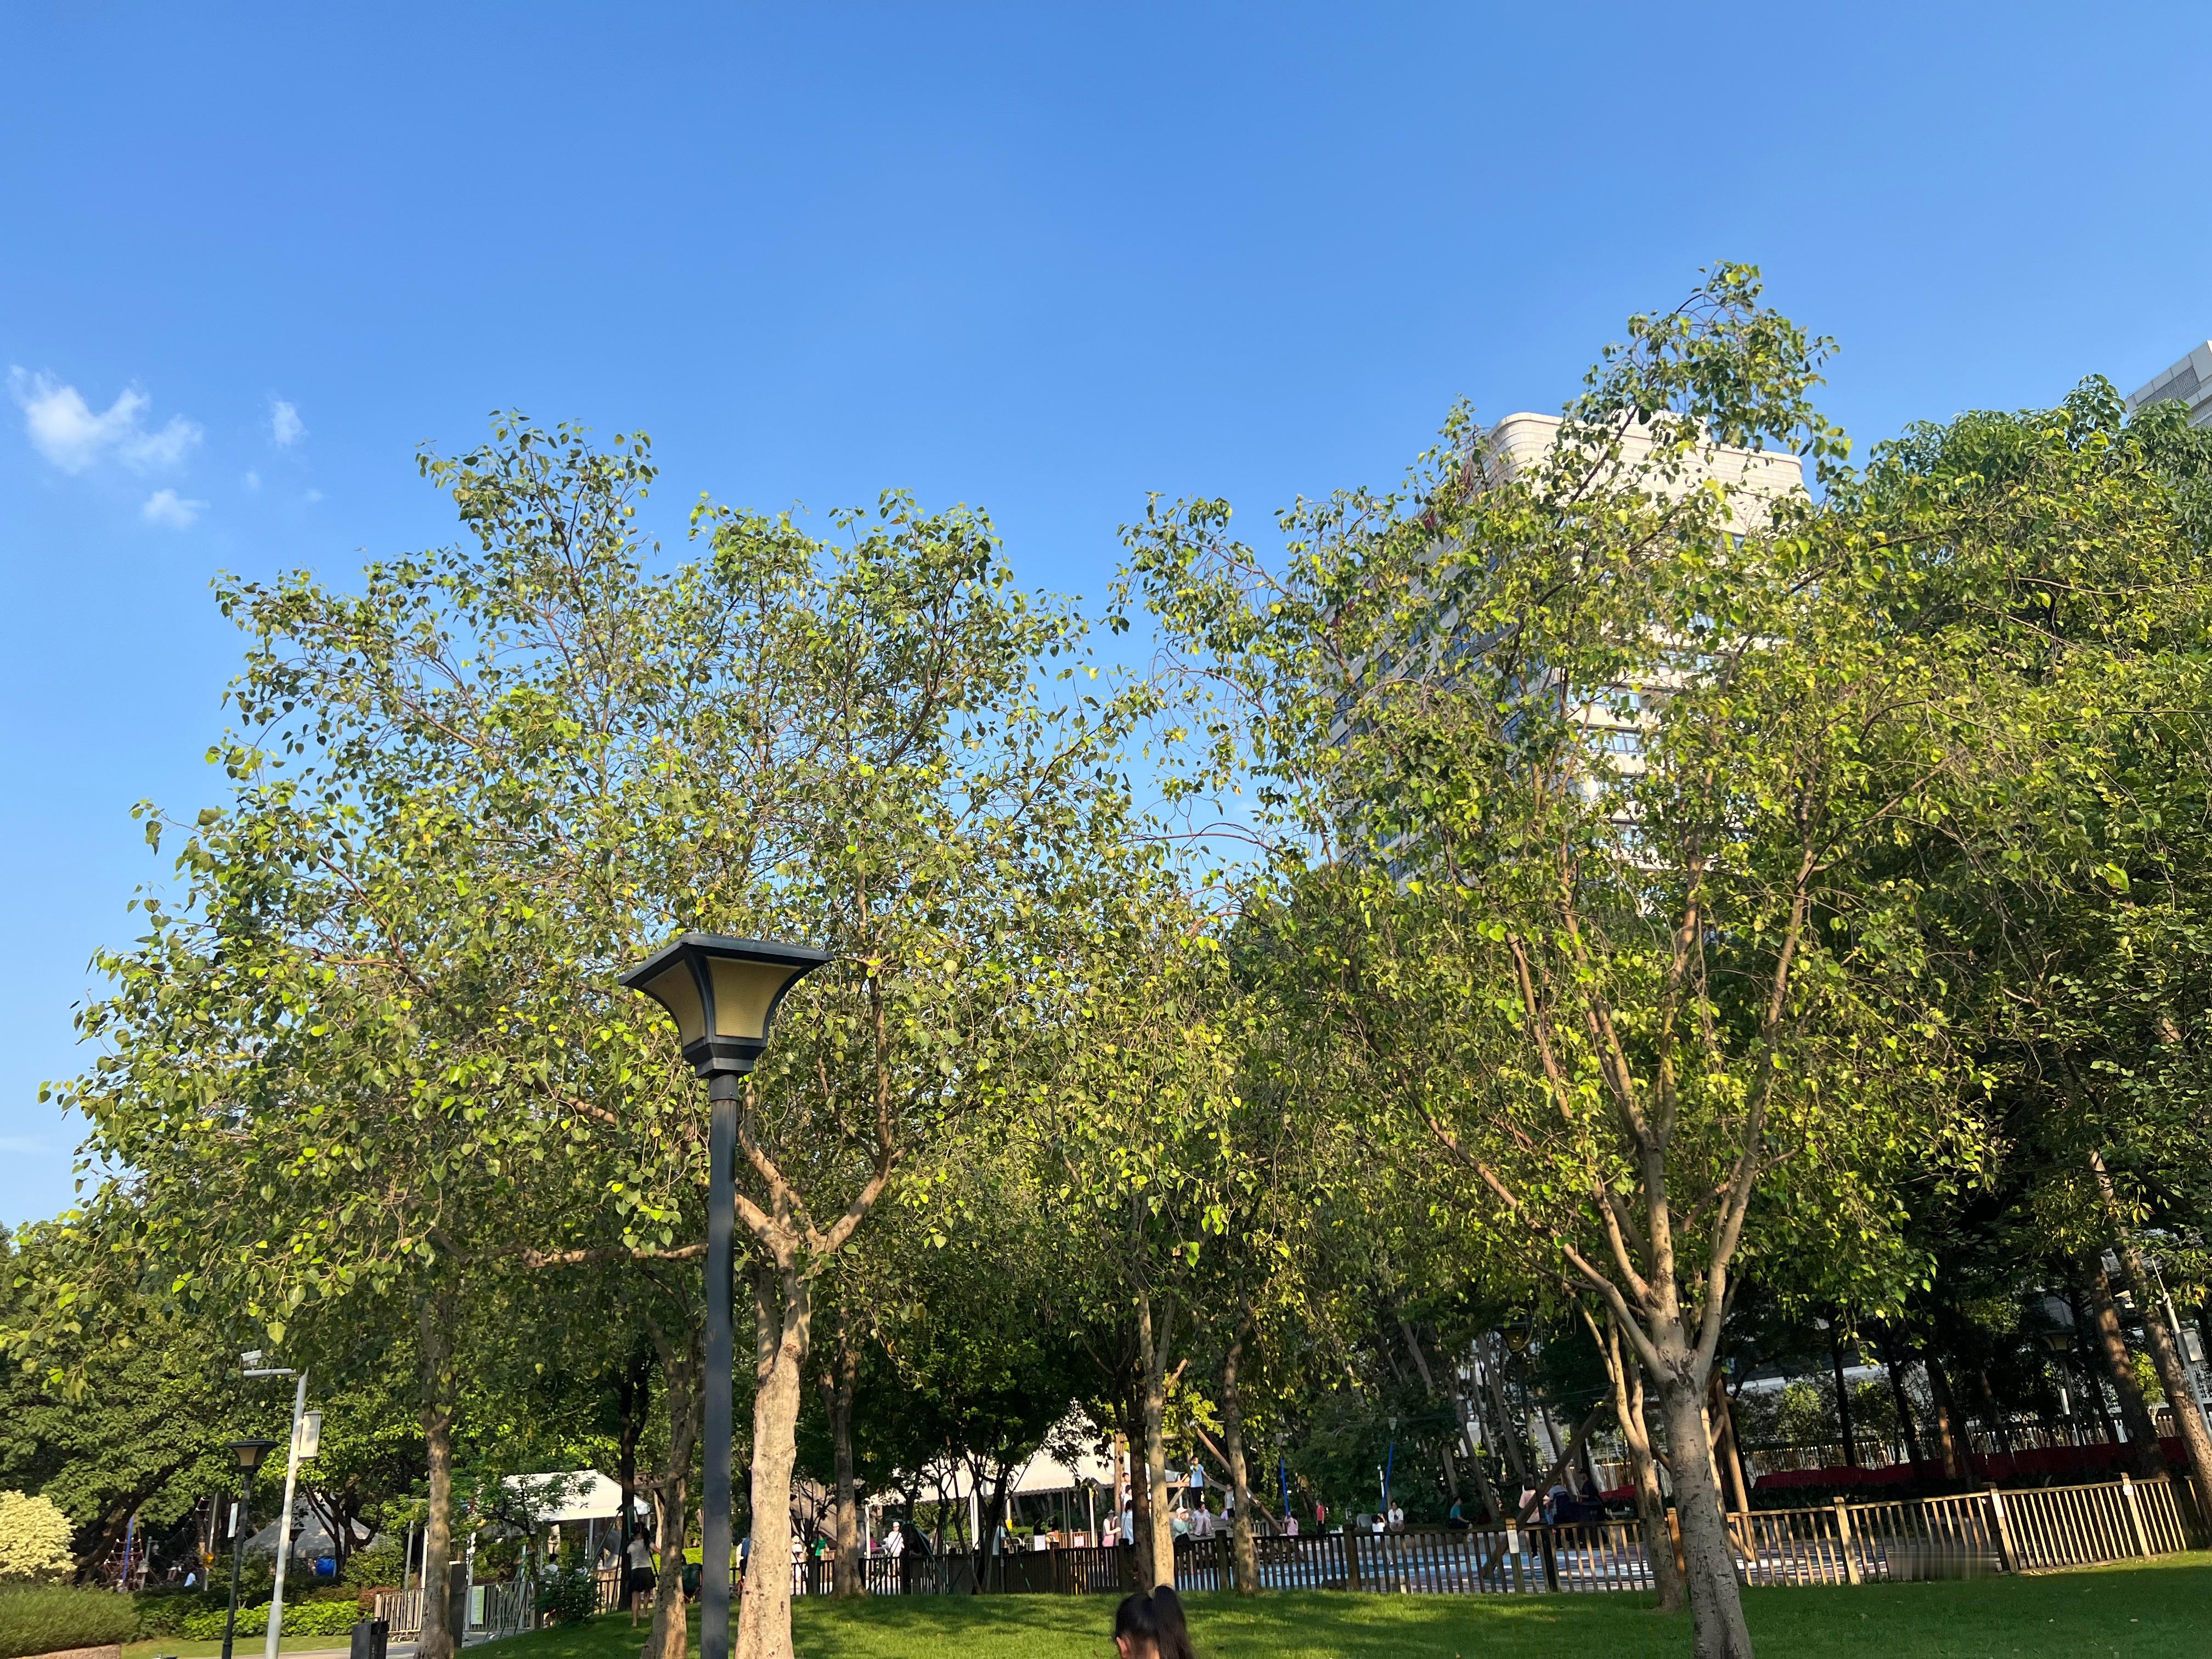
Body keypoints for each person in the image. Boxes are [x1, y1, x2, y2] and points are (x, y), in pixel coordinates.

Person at [624, 1531, 655, 1627]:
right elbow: (658, 1550)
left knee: (635, 1597)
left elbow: (629, 1555)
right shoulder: (647, 1543)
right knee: (647, 1591)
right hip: (646, 1569)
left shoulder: (630, 1546)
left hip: (636, 1570)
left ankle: (635, 1621)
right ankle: (645, 1611)